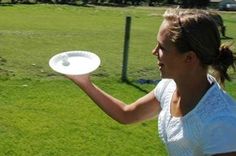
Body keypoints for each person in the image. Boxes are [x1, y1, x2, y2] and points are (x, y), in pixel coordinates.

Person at [66, 8, 236, 156]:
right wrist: (84, 82)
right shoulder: (169, 88)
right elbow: (127, 114)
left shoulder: (220, 122)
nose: (154, 51)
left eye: (162, 47)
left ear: (189, 58)